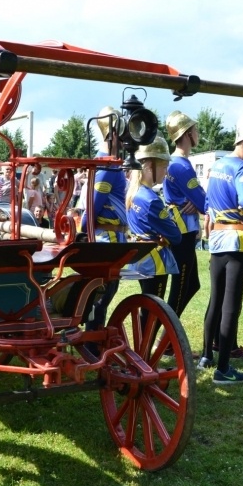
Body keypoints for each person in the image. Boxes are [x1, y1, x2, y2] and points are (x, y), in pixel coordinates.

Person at [200, 113, 243, 384]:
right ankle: (224, 369)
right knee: (230, 305)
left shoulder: (217, 165)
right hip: (237, 240)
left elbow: (208, 205)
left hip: (217, 238)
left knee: (215, 300)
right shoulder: (241, 168)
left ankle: (206, 356)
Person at [82, 106, 129, 333]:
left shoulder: (109, 164)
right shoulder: (108, 167)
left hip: (111, 237)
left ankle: (93, 340)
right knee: (101, 299)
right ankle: (92, 342)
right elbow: (92, 208)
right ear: (113, 134)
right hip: (106, 240)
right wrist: (83, 232)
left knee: (102, 298)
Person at [125, 136, 181, 298]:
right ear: (150, 166)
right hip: (155, 261)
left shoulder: (133, 193)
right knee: (153, 310)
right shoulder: (151, 200)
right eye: (164, 166)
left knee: (146, 305)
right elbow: (176, 236)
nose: (166, 172)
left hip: (140, 258)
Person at [163, 110, 206, 318]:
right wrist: (197, 203)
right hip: (183, 229)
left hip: (181, 227)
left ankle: (169, 331)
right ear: (187, 134)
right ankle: (167, 332)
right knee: (180, 287)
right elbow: (204, 202)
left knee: (192, 284)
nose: (198, 134)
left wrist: (196, 202)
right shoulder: (181, 166)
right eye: (195, 130)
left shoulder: (173, 162)